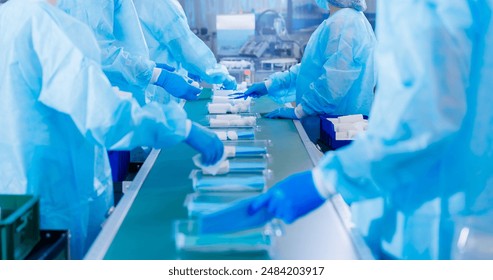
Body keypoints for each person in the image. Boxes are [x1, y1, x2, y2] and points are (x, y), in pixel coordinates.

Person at [246, 0, 493, 260]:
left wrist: (327, 180)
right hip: (458, 196)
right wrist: (272, 85)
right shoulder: (353, 19)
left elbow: (423, 119)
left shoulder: (390, 13)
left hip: (437, 212)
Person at [0, 0, 223, 259]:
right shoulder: (44, 26)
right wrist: (179, 126)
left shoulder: (11, 16)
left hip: (15, 195)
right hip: (53, 199)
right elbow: (105, 115)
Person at [233, 0, 376, 124]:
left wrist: (300, 112)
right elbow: (311, 68)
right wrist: (270, 84)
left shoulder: (345, 22)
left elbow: (335, 81)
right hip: (336, 120)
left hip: (340, 125)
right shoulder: (343, 20)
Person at [56, 0, 201, 105]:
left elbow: (120, 41)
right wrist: (156, 75)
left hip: (116, 94)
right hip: (94, 100)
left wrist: (149, 66)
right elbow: (95, 52)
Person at [133, 0, 237, 103]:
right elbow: (186, 46)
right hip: (155, 92)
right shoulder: (159, 4)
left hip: (134, 86)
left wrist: (188, 69)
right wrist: (218, 74)